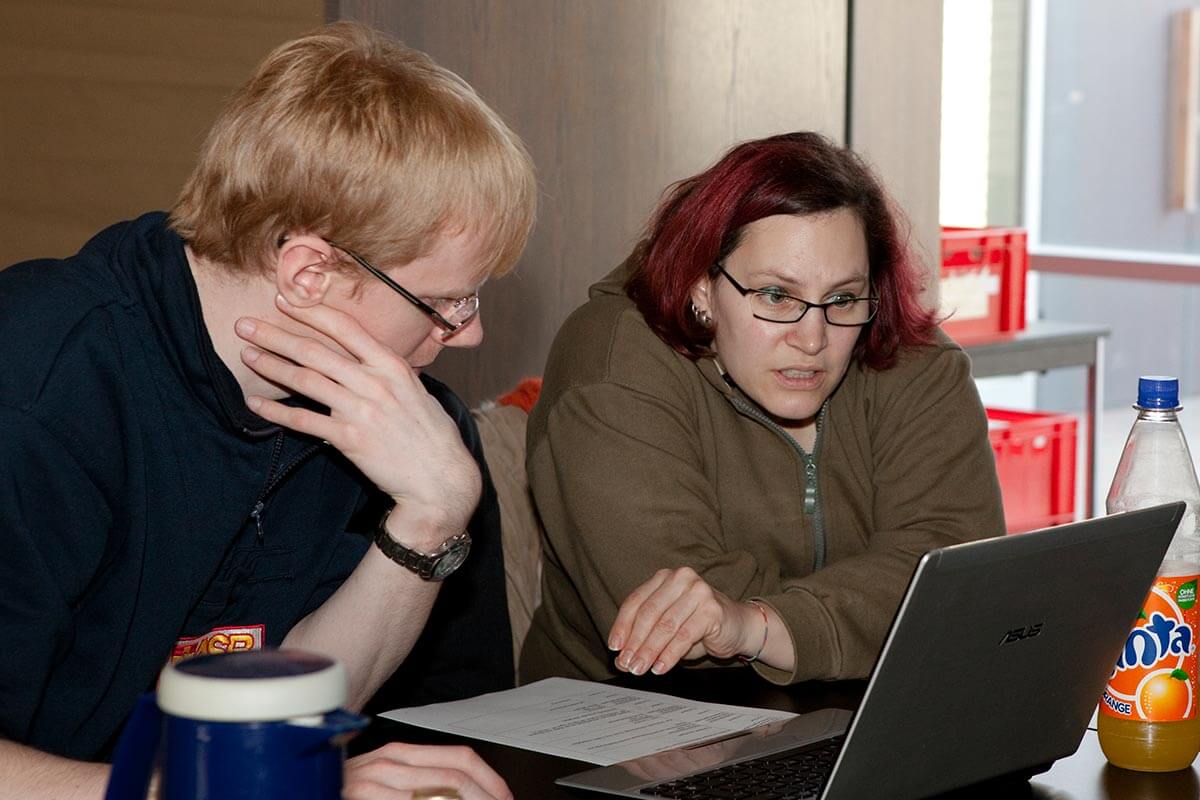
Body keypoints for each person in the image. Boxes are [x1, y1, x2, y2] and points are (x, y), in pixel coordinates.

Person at [0, 22, 535, 800]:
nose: (470, 333)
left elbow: (298, 714)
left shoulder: (409, 426)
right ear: (309, 273)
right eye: (445, 303)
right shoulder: (37, 383)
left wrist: (427, 524)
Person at [520, 132, 1005, 687]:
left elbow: (959, 580)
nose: (813, 338)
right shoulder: (609, 364)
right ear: (702, 286)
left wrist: (756, 625)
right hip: (625, 714)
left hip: (869, 703)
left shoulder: (911, 357)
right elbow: (670, 624)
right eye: (776, 296)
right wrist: (863, 608)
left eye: (842, 297)